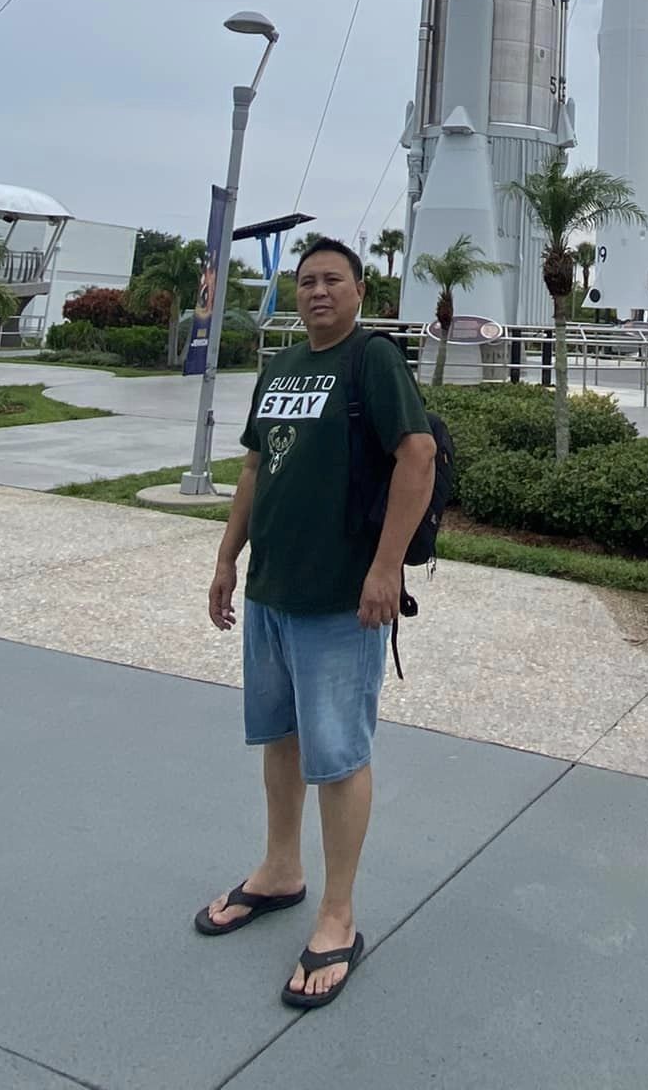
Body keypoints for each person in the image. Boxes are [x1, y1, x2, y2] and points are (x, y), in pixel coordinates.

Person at [198, 236, 436, 1010]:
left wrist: (385, 567)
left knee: (337, 754)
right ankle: (279, 872)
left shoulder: (373, 362)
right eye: (306, 281)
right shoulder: (279, 369)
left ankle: (338, 915)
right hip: (271, 591)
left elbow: (418, 454)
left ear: (361, 290)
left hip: (341, 598)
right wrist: (229, 558)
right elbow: (253, 467)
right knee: (281, 739)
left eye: (333, 279)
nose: (318, 291)